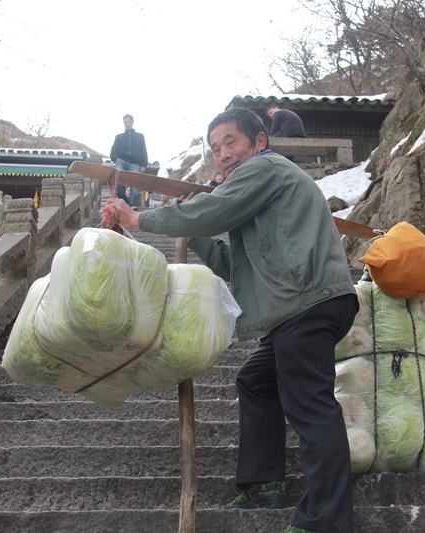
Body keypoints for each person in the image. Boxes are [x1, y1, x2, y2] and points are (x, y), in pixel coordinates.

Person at [106, 108, 358, 533]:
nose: (222, 154)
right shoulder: (259, 193)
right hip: (294, 307)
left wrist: (139, 218)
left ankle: (326, 522)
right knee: (255, 381)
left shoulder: (267, 168)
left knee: (312, 408)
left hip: (308, 302)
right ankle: (264, 483)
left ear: (259, 142)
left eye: (231, 142)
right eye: (215, 148)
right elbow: (235, 265)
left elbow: (211, 211)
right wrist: (194, 232)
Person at [110, 113, 148, 207]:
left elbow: (143, 150)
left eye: (128, 122)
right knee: (117, 180)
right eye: (125, 122)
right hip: (121, 160)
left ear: (132, 122)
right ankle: (124, 203)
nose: (126, 124)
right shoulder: (119, 137)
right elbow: (113, 150)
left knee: (135, 183)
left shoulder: (139, 137)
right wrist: (116, 159)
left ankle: (133, 206)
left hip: (135, 162)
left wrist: (144, 164)